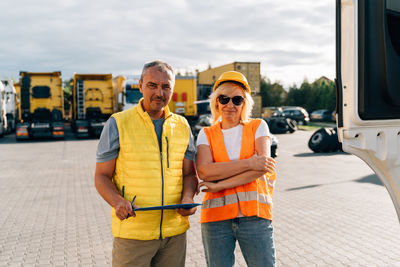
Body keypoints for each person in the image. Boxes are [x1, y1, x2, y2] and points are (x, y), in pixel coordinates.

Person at [94, 60, 198, 267]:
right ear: (140, 85)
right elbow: (101, 176)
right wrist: (117, 202)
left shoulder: (183, 126)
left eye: (166, 86)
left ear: (172, 89)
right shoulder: (118, 123)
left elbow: (189, 174)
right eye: (152, 85)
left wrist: (188, 197)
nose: (159, 92)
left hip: (174, 235)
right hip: (133, 234)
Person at [196, 71, 277, 267]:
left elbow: (262, 168)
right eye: (224, 99)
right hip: (216, 220)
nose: (230, 105)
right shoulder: (206, 134)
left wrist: (220, 183)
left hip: (254, 217)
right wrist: (249, 163)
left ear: (245, 103)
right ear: (216, 102)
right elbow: (205, 172)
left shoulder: (259, 126)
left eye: (237, 99)